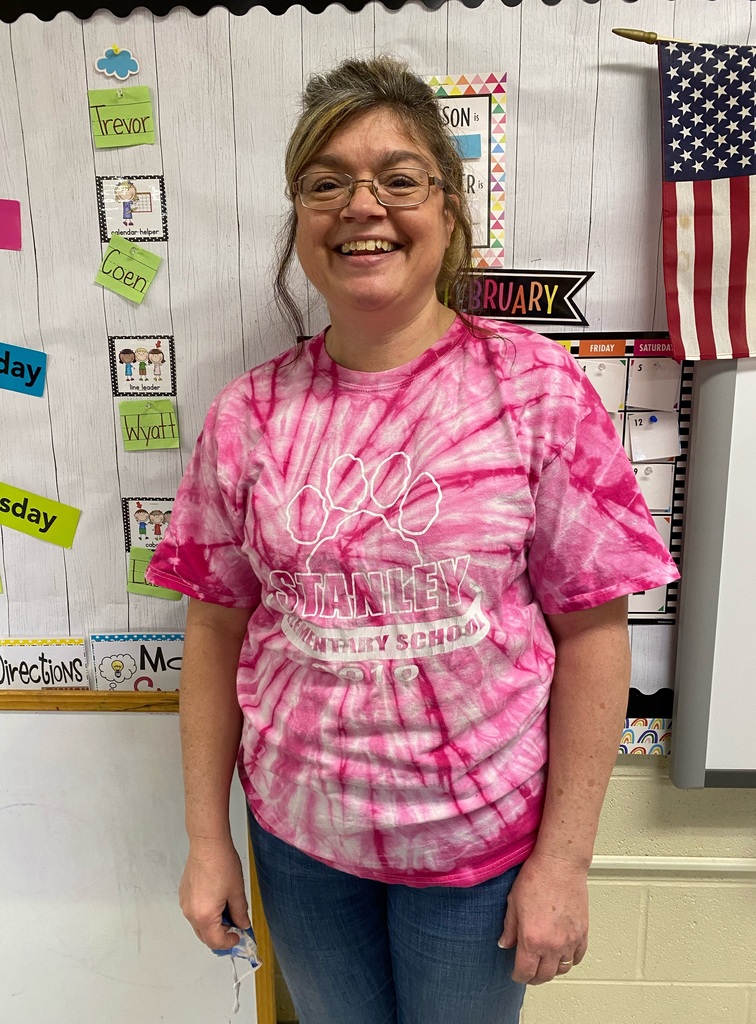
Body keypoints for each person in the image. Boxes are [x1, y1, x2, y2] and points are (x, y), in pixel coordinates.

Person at [146, 56, 679, 1024]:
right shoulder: (247, 414)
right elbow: (216, 629)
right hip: (300, 842)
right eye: (327, 183)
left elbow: (595, 633)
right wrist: (208, 840)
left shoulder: (534, 390)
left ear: (448, 206)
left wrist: (564, 862)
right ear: (299, 215)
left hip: (479, 848)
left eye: (398, 179)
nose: (363, 206)